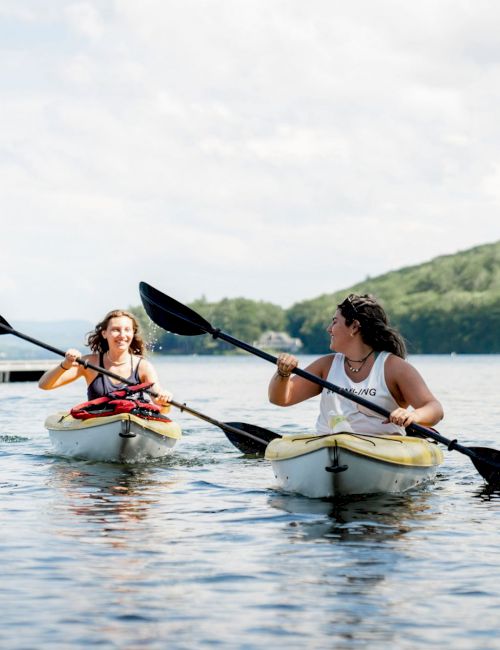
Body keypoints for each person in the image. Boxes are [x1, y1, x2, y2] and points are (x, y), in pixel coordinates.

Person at [269, 294, 443, 436]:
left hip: (382, 451)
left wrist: (413, 415)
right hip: (329, 446)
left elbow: (435, 409)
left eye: (335, 322)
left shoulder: (394, 368)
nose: (329, 329)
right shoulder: (327, 365)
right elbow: (281, 399)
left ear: (354, 327)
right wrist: (283, 374)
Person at [39, 309, 173, 411]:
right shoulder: (90, 363)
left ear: (132, 333)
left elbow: (159, 403)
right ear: (104, 333)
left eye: (127, 330)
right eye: (116, 330)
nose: (122, 335)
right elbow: (44, 385)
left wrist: (165, 398)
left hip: (134, 421)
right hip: (99, 422)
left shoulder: (143, 366)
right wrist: (65, 364)